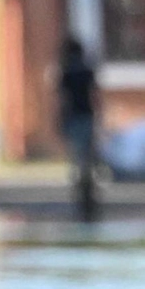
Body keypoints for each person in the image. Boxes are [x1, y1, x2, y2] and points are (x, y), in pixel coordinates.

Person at [56, 36, 100, 222]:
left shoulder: (65, 71)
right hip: (86, 115)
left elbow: (60, 98)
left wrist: (58, 118)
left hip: (72, 116)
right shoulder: (87, 70)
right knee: (87, 154)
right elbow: (95, 95)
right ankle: (88, 186)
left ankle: (80, 185)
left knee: (77, 153)